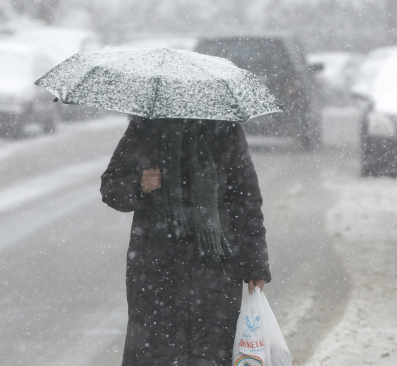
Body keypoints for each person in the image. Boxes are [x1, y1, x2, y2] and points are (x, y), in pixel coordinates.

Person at [101, 117, 270, 366]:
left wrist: (256, 264)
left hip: (216, 270)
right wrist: (139, 184)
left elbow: (246, 201)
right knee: (157, 356)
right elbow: (111, 187)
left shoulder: (225, 128)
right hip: (156, 271)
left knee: (210, 354)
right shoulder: (146, 127)